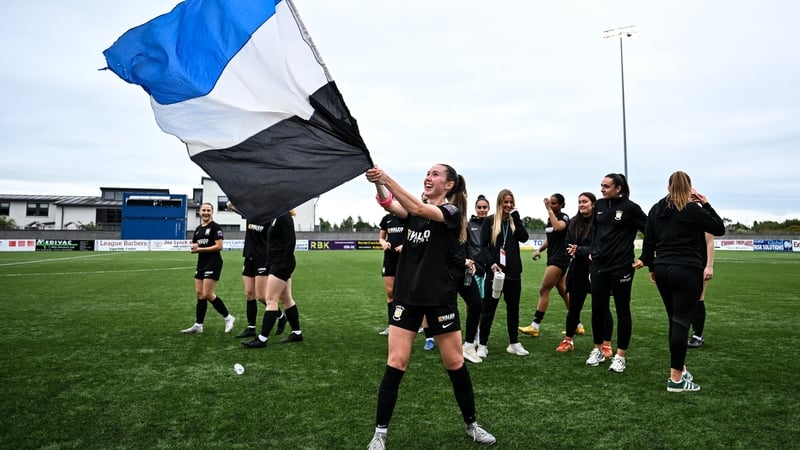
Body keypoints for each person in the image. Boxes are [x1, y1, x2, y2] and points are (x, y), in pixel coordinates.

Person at [365, 164, 496, 449]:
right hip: (407, 298)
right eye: (427, 173)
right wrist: (378, 183)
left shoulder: (451, 212)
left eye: (435, 174)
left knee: (455, 363)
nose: (428, 177)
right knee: (395, 363)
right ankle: (380, 433)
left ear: (448, 185)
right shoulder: (414, 212)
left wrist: (387, 177)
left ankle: (472, 425)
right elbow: (389, 203)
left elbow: (422, 210)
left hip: (439, 299)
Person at [635, 171, 725, 392]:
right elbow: (719, 228)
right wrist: (706, 203)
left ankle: (680, 369)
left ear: (668, 187)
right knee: (681, 321)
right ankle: (676, 379)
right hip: (687, 269)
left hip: (664, 268)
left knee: (675, 320)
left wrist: (652, 266)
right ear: (689, 188)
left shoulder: (656, 209)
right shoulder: (692, 209)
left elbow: (650, 241)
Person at [585, 173, 647, 373]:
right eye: (601, 185)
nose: (602, 189)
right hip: (599, 266)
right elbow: (594, 230)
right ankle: (598, 350)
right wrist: (593, 250)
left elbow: (650, 231)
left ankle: (620, 356)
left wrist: (646, 257)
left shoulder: (631, 208)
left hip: (621, 266)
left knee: (622, 310)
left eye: (606, 186)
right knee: (598, 309)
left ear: (618, 188)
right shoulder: (600, 206)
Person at [554, 193, 613, 353]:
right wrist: (580, 251)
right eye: (579, 202)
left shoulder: (600, 221)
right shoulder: (574, 221)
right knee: (574, 307)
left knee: (602, 308)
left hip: (598, 269)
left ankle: (606, 344)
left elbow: (598, 247)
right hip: (578, 269)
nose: (581, 204)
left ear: (593, 204)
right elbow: (567, 245)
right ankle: (568, 340)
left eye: (585, 201)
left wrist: (579, 249)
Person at [476, 189, 530, 358]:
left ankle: (513, 343)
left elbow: (524, 238)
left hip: (513, 273)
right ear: (499, 203)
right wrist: (491, 264)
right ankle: (483, 344)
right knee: (488, 310)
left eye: (511, 202)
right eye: (505, 202)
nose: (508, 205)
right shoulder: (490, 221)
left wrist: (518, 219)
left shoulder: (515, 221)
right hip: (495, 274)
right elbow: (483, 247)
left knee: (513, 310)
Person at [241, 210, 304, 348]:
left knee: (270, 300)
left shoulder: (283, 216)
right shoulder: (274, 216)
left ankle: (262, 339)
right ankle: (297, 333)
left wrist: (283, 264)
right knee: (287, 298)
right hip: (277, 263)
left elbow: (291, 241)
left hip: (281, 264)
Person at [225, 202, 287, 339]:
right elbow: (229, 205)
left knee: (261, 296)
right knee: (249, 294)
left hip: (263, 258)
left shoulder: (270, 218)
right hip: (249, 257)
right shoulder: (249, 214)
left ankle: (281, 316)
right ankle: (251, 328)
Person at [520, 194, 574, 337]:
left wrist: (549, 210)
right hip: (553, 257)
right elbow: (550, 239)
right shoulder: (550, 219)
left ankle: (535, 326)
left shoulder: (564, 217)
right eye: (550, 203)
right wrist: (539, 250)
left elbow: (558, 228)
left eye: (554, 203)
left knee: (544, 290)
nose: (551, 205)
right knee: (564, 292)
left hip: (560, 259)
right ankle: (577, 324)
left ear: (562, 204)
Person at [181, 202, 236, 334]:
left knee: (207, 294)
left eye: (208, 210)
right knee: (199, 294)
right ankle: (198, 324)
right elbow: (195, 244)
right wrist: (194, 248)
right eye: (203, 210)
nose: (206, 213)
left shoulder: (215, 227)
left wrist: (200, 249)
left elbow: (219, 246)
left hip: (214, 263)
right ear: (200, 212)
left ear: (212, 212)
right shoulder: (198, 229)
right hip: (201, 264)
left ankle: (228, 318)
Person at [459, 195, 490, 363]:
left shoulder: (492, 224)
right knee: (472, 303)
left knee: (485, 303)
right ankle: (475, 333)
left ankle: (481, 335)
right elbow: (466, 245)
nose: (482, 210)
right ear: (476, 208)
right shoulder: (469, 225)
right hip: (473, 268)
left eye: (485, 207)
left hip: (489, 268)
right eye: (480, 207)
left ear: (488, 208)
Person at [377, 212, 405, 336]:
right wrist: (383, 243)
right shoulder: (387, 219)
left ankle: (412, 323)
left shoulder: (408, 216)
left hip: (405, 258)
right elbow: (381, 238)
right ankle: (392, 325)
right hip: (390, 258)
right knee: (390, 291)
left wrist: (406, 246)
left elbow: (415, 236)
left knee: (407, 291)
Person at [688, 233, 715, 348]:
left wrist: (709, 266)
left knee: (699, 297)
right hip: (684, 261)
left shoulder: (703, 215)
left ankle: (697, 336)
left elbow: (710, 242)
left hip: (700, 262)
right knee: (684, 299)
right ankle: (683, 331)